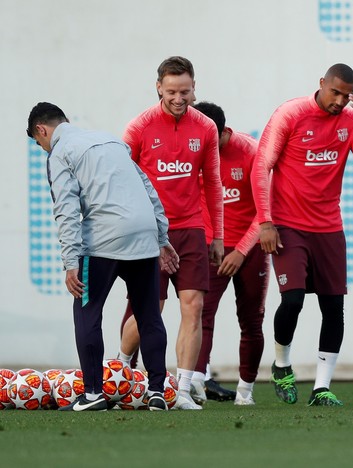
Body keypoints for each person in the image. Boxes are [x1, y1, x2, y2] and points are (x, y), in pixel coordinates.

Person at [27, 102, 179, 412]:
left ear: (41, 131)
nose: (42, 148)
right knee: (149, 314)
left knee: (87, 312)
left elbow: (66, 210)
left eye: (38, 142)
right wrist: (161, 237)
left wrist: (70, 262)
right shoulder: (112, 141)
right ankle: (156, 392)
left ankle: (94, 393)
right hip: (143, 236)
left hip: (103, 241)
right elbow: (148, 188)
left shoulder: (59, 154)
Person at [252, 63, 353, 406]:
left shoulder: (351, 121)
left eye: (346, 95)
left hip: (329, 227)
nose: (339, 101)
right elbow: (261, 166)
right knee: (292, 299)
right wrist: (265, 222)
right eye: (335, 92)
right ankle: (281, 365)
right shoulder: (290, 114)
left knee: (333, 308)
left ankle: (321, 387)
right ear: (321, 83)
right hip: (288, 225)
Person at [117, 56, 224, 410]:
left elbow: (212, 183)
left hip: (191, 228)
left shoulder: (206, 127)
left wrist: (218, 236)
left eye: (186, 91)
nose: (179, 98)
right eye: (173, 91)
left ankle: (180, 391)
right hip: (149, 232)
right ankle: (118, 367)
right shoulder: (139, 127)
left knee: (193, 305)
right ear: (159, 88)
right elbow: (121, 180)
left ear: (195, 88)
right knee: (152, 307)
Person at [192, 101, 269, 405]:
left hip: (248, 250)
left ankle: (245, 392)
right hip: (211, 248)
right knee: (198, 314)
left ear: (223, 132)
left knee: (251, 322)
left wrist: (240, 250)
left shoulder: (251, 152)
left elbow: (265, 209)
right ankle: (195, 383)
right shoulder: (193, 150)